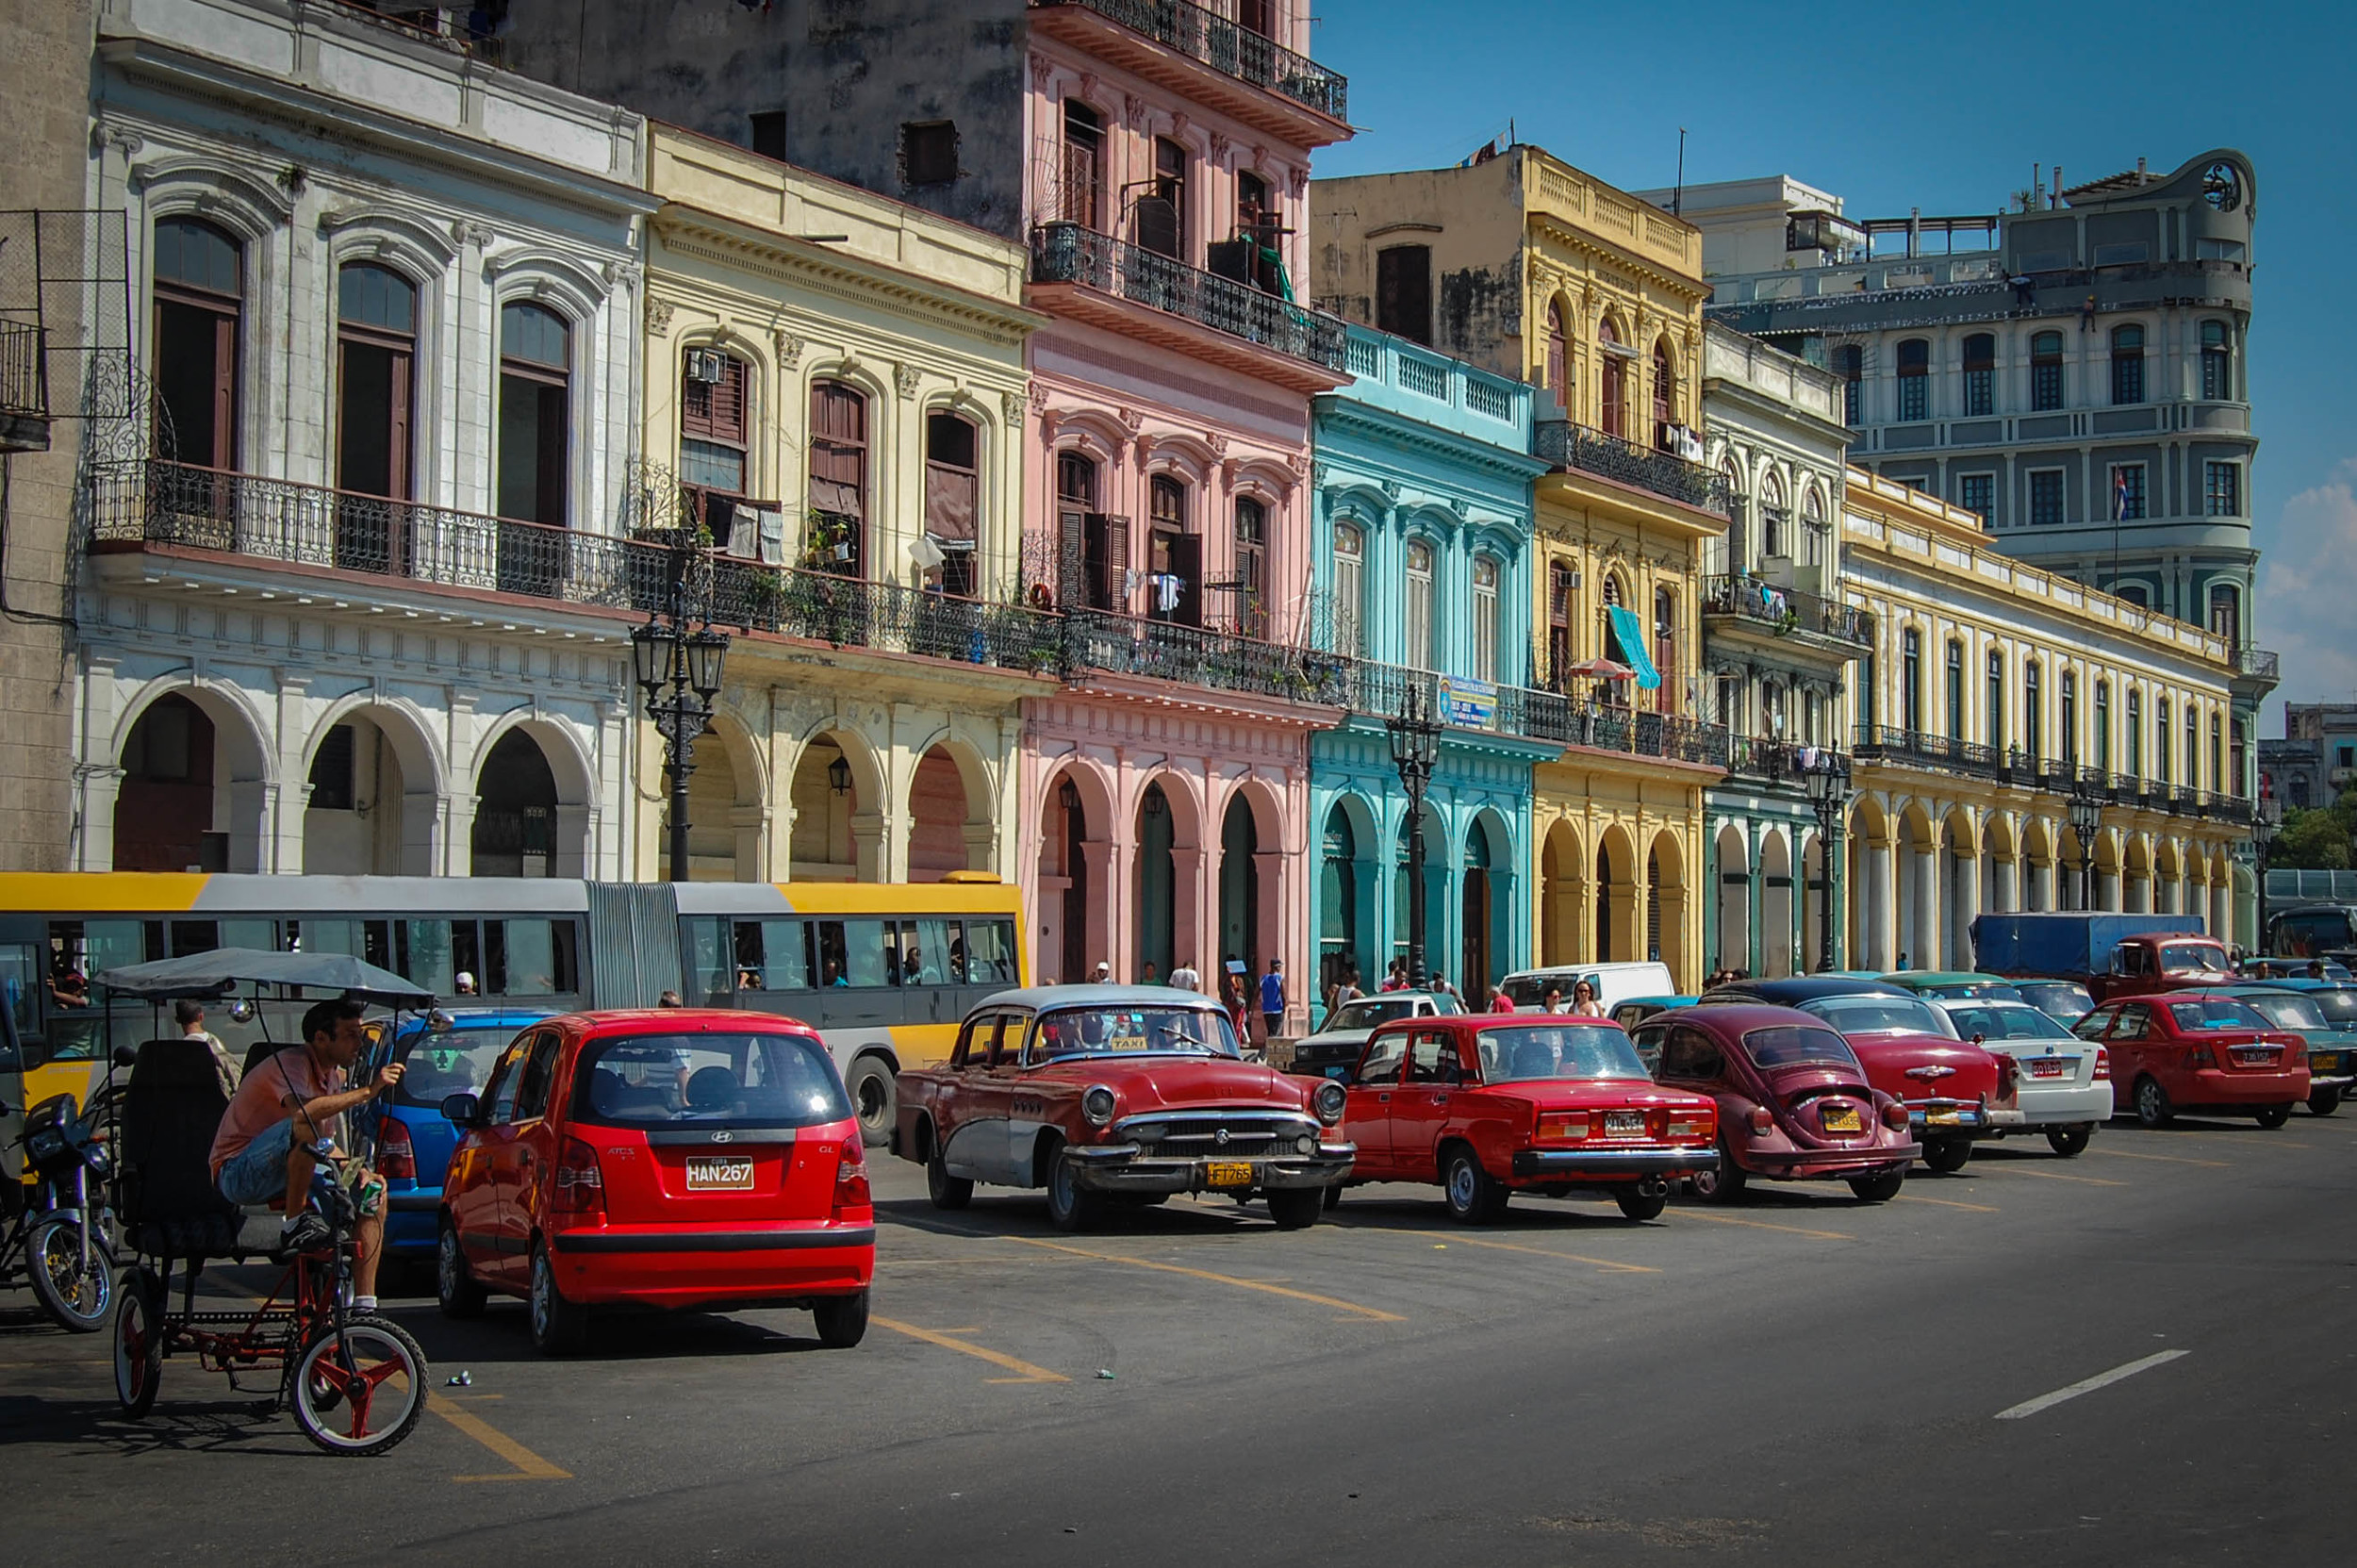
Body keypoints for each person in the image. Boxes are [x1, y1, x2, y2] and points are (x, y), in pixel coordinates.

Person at [208, 998, 402, 1307]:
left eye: (360, 1034)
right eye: (351, 1034)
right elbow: (303, 1118)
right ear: (321, 1038)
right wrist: (368, 1092)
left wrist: (357, 1169)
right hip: (237, 1172)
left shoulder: (332, 1077)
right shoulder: (290, 1064)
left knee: (374, 1190)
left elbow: (324, 1144)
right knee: (305, 1123)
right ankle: (294, 1224)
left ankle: (365, 1305)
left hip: (295, 1166)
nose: (360, 1043)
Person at [177, 999, 239, 1099]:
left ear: (177, 1020)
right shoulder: (214, 1043)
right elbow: (232, 1072)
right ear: (201, 1016)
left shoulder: (177, 1051)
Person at [1260, 957, 1286, 1043]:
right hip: (1277, 1009)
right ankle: (1264, 1052)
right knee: (1275, 1033)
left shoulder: (1263, 979)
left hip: (1266, 1009)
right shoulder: (1279, 978)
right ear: (1276, 967)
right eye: (1279, 967)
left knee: (1270, 1031)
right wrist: (1284, 1007)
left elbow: (1257, 992)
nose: (1280, 969)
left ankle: (1267, 1051)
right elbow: (1283, 994)